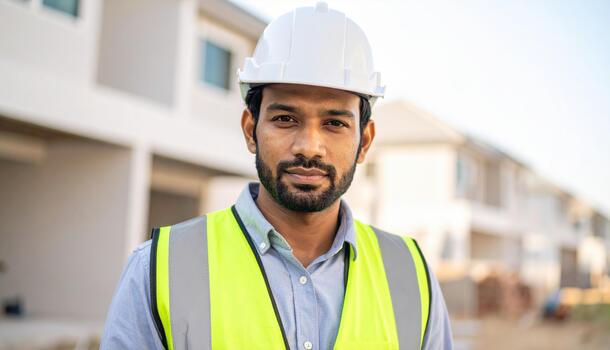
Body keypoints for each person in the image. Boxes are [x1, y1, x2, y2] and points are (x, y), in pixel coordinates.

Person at [101, 2, 453, 349]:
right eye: (286, 119)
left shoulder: (410, 275)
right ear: (250, 129)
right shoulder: (160, 268)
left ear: (365, 142)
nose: (310, 147)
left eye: (334, 123)